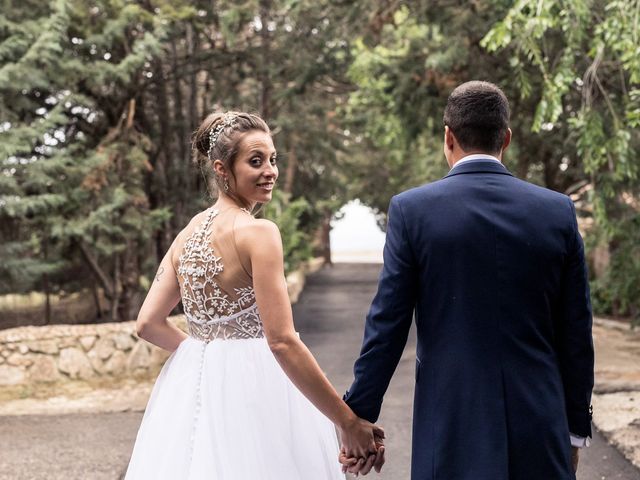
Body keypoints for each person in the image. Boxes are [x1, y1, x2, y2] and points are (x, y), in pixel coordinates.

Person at [340, 81, 594, 479]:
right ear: (505, 139)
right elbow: (576, 333)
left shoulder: (412, 211)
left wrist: (358, 418)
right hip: (540, 424)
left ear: (449, 137)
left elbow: (387, 325)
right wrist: (576, 430)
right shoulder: (557, 211)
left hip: (450, 426)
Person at [124, 111, 383, 479]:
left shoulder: (188, 233)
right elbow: (282, 342)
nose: (270, 171)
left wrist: (208, 356)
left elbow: (148, 324)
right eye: (255, 161)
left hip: (194, 395)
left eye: (273, 159)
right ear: (221, 169)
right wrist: (348, 422)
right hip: (259, 394)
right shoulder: (259, 233)